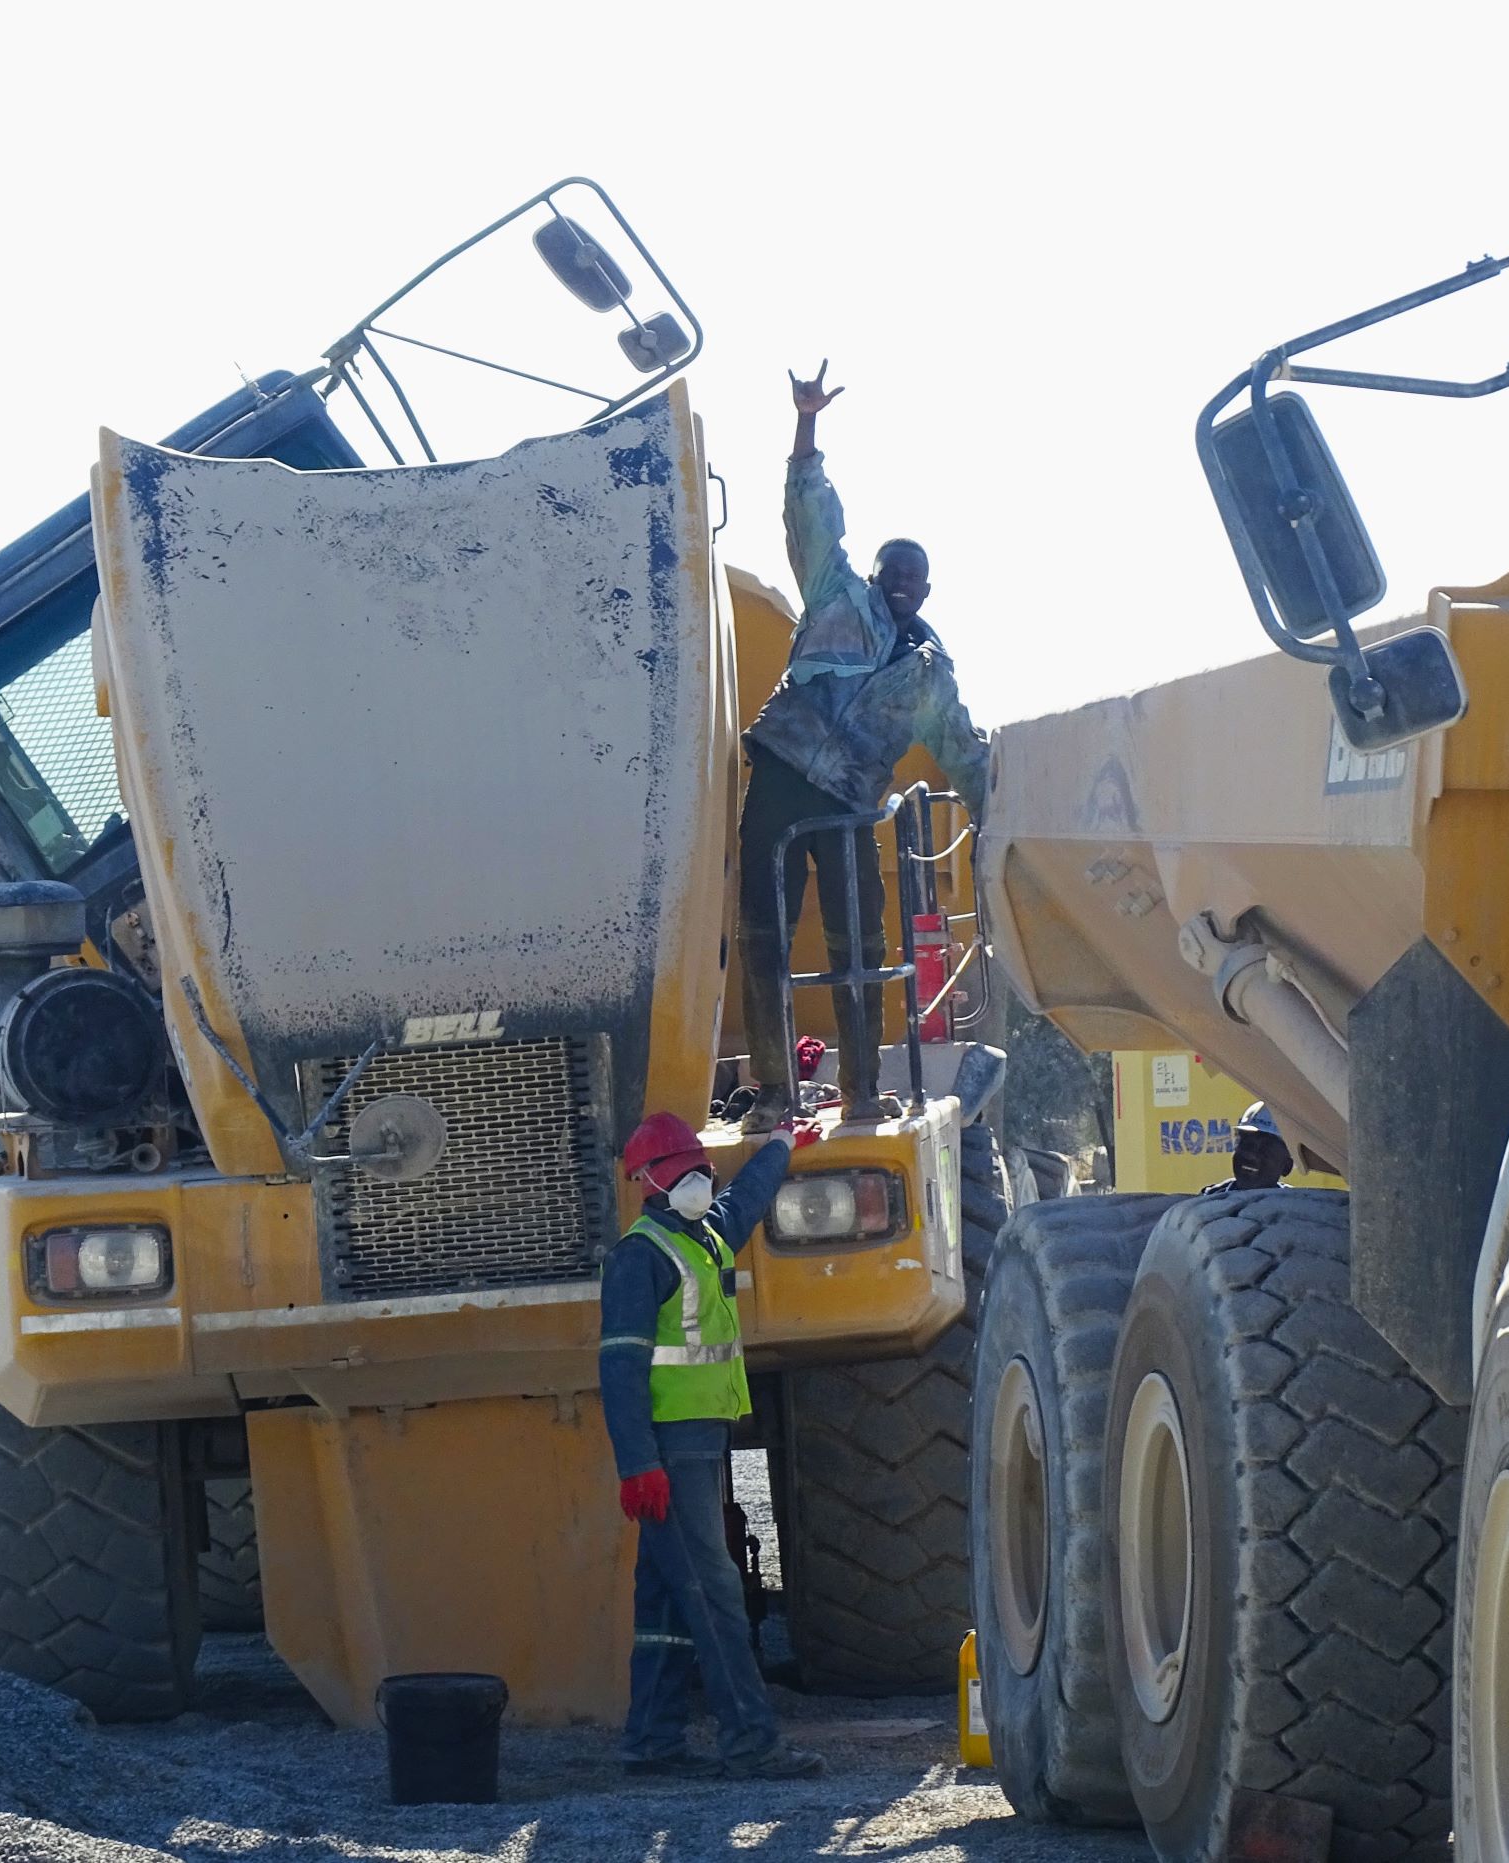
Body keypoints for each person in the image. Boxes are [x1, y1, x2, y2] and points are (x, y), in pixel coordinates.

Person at [738, 362, 990, 1134]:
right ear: (876, 574)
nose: (905, 582)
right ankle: (777, 1092)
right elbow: (808, 509)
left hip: (849, 801)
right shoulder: (836, 592)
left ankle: (860, 1088)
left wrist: (995, 824)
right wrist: (807, 422)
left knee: (860, 947)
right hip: (782, 778)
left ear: (928, 590)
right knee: (764, 938)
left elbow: (963, 752)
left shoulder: (928, 675)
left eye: (919, 576)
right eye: (896, 570)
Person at [600, 1108, 825, 1780]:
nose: (697, 1178)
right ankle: (752, 1742)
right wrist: (638, 1463)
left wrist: (783, 1142)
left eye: (699, 1167)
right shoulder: (640, 1256)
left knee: (668, 1594)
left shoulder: (704, 1238)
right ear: (650, 1182)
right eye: (682, 1171)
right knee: (712, 1588)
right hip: (671, 1450)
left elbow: (746, 1199)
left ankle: (652, 1739)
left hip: (699, 1442)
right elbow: (619, 1365)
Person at [1207, 1101, 1293, 1193]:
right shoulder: (1205, 1202)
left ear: (1286, 1167)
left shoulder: (1298, 1205)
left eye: (1265, 1149)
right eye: (1247, 1144)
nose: (1251, 1155)